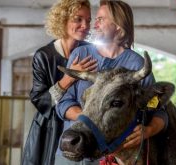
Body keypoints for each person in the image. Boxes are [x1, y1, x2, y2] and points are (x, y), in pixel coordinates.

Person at [55, 0, 169, 164]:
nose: (94, 24)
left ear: (118, 25)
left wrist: (148, 130)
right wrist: (89, 120)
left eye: (101, 19)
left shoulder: (136, 65)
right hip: (72, 148)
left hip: (111, 157)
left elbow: (157, 108)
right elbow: (63, 103)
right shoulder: (80, 54)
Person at [22, 0, 97, 164]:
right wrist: (68, 78)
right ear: (62, 20)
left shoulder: (91, 52)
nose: (85, 25)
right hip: (52, 128)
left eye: (88, 20)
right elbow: (39, 99)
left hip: (84, 125)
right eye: (78, 19)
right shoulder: (44, 55)